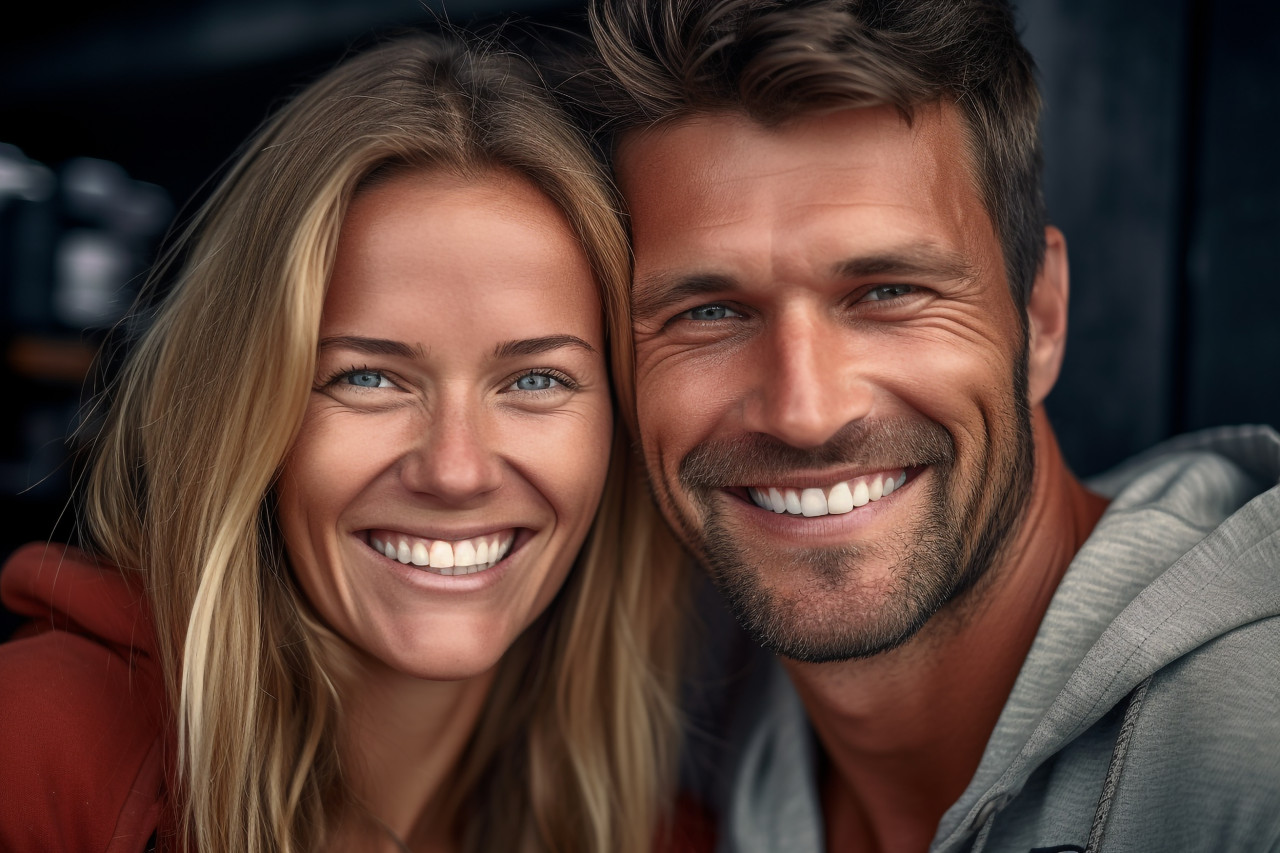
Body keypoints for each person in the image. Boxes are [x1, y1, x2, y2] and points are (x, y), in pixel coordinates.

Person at [552, 1, 1280, 850]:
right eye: (709, 311)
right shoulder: (679, 731)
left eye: (889, 292)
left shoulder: (1252, 762)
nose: (806, 412)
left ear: (1040, 315)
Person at [0, 28, 704, 853]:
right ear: (240, 410)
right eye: (367, 378)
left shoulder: (664, 838)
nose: (456, 469)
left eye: (535, 380)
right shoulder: (37, 754)